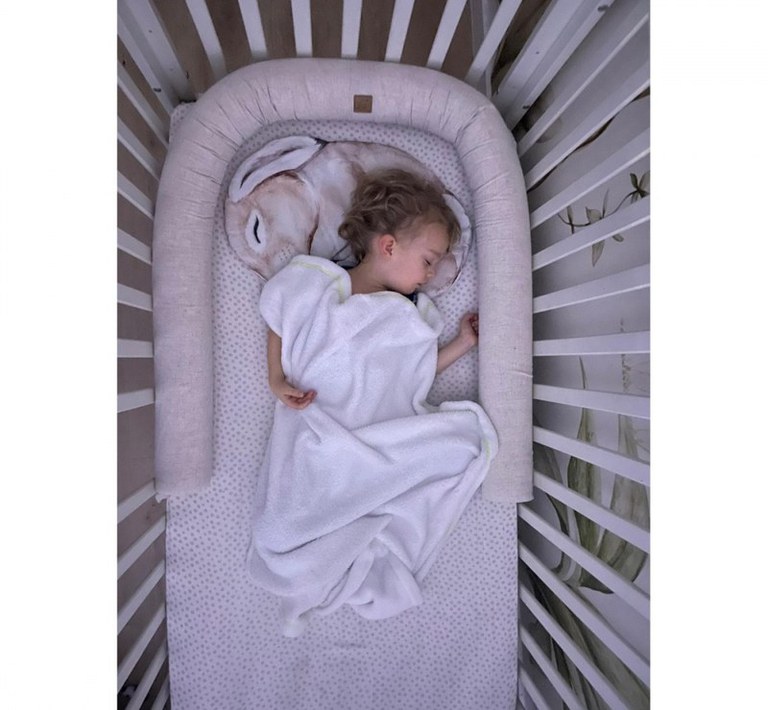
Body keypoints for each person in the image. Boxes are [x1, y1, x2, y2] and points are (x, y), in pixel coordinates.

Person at [266, 168, 480, 410]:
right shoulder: (322, 282)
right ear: (389, 247)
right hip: (311, 408)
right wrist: (276, 378)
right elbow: (279, 314)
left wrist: (464, 342)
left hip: (371, 421)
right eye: (428, 262)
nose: (431, 274)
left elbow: (415, 373)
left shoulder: (407, 314)